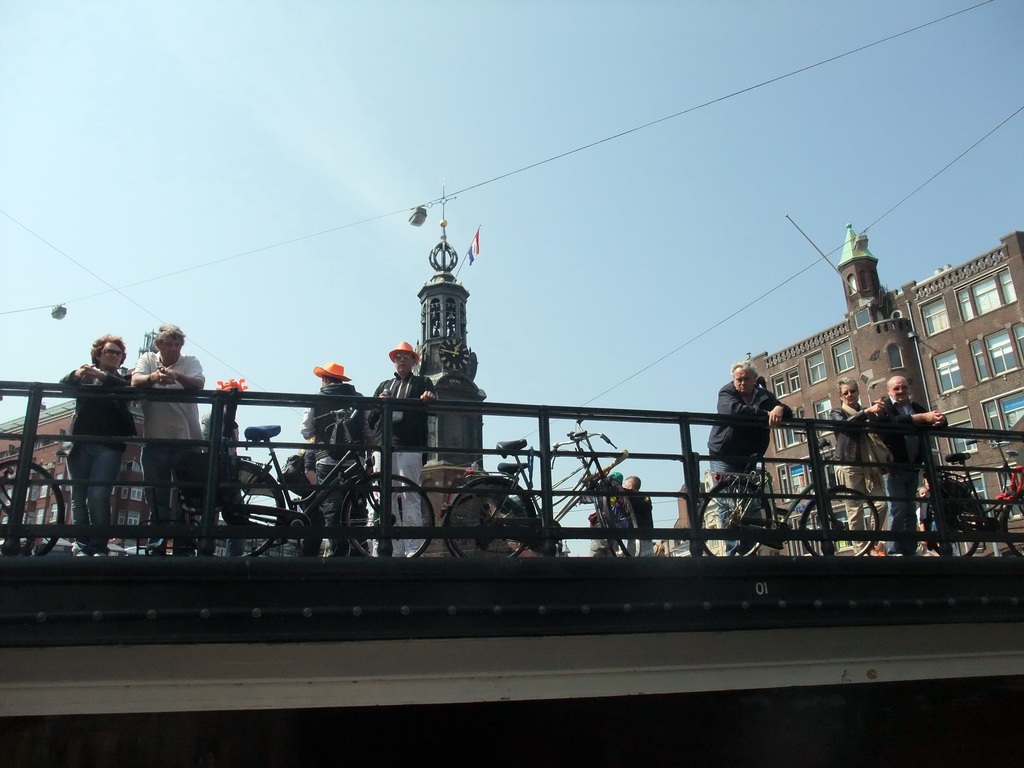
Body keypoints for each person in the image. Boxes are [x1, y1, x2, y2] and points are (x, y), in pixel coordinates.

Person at [131, 324, 205, 555]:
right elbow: (136, 380)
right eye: (169, 344)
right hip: (156, 439)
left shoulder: (190, 361)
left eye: (177, 344)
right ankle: (158, 545)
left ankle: (183, 546)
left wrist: (176, 376)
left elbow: (199, 383)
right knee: (157, 497)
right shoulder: (147, 360)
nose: (173, 348)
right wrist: (154, 378)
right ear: (159, 345)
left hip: (187, 438)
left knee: (187, 497)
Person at [60, 335, 136, 556]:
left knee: (99, 495)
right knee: (79, 496)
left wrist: (102, 375)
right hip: (80, 443)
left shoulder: (124, 378)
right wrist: (77, 374)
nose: (113, 356)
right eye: (108, 351)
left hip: (108, 446)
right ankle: (82, 544)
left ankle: (99, 545)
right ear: (98, 354)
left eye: (117, 353)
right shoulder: (85, 376)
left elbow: (129, 388)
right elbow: (63, 385)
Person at [707, 360, 792, 555]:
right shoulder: (726, 393)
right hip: (724, 452)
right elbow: (734, 411)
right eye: (738, 379)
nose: (742, 383)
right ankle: (733, 552)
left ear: (755, 379)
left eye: (746, 379)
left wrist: (780, 409)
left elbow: (788, 412)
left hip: (750, 455)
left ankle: (749, 550)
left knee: (750, 502)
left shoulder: (764, 396)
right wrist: (767, 414)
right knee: (727, 502)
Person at [370, 341, 435, 557]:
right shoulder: (384, 386)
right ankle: (390, 548)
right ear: (394, 361)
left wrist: (428, 397)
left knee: (409, 496)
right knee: (383, 497)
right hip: (385, 445)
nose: (402, 360)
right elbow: (371, 419)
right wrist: (379, 405)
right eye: (399, 356)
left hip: (410, 444)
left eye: (407, 356)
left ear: (414, 361)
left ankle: (413, 547)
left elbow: (432, 404)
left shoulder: (422, 382)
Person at [299, 362, 368, 557]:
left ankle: (337, 553)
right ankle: (358, 553)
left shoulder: (316, 399)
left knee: (332, 509)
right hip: (354, 461)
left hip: (326, 460)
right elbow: (369, 430)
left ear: (325, 379)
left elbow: (306, 431)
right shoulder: (359, 399)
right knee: (357, 508)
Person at [875, 375, 947, 556]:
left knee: (909, 510)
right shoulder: (886, 407)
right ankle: (893, 550)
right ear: (888, 391)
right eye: (896, 389)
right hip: (894, 468)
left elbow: (933, 420)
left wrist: (940, 420)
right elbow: (893, 423)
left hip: (912, 465)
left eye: (903, 388)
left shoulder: (914, 406)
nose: (900, 392)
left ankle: (909, 549)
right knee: (897, 508)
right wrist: (922, 417)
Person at [828, 377, 888, 537]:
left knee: (881, 504)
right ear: (840, 396)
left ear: (858, 392)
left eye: (852, 391)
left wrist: (881, 413)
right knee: (855, 508)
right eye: (845, 393)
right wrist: (866, 412)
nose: (849, 395)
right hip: (849, 463)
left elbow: (880, 431)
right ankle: (860, 547)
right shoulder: (836, 412)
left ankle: (871, 541)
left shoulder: (867, 412)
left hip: (869, 464)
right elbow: (846, 425)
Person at [624, 475, 655, 557]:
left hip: (635, 534)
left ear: (630, 487)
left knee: (633, 561)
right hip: (648, 533)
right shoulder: (646, 497)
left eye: (625, 486)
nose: (624, 488)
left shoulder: (631, 497)